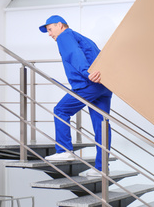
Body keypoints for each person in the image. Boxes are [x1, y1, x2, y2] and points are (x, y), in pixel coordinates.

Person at [39, 15, 112, 177]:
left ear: (60, 25)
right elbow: (100, 56)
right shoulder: (84, 38)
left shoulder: (65, 36)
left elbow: (74, 54)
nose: (50, 34)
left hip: (89, 84)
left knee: (61, 110)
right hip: (103, 85)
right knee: (102, 125)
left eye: (50, 29)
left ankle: (64, 150)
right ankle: (102, 169)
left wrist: (87, 73)